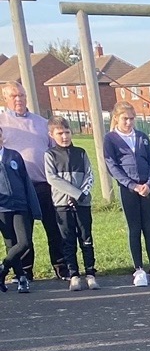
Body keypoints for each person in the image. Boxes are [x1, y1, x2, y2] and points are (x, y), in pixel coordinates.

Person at [0, 81, 66, 280]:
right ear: (5, 99)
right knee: (22, 235)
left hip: (44, 184)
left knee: (54, 228)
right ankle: (25, 272)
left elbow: (55, 150)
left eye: (21, 95)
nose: (19, 99)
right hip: (17, 189)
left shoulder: (41, 122)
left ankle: (61, 267)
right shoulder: (2, 123)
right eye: (14, 96)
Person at [104, 101, 150, 287]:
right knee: (134, 229)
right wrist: (131, 185)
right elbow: (113, 166)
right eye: (125, 119)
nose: (129, 123)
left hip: (147, 189)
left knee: (149, 228)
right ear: (116, 118)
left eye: (132, 119)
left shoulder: (142, 137)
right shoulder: (111, 138)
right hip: (129, 190)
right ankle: (139, 269)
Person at [44, 116, 97, 292]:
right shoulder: (50, 155)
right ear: (52, 135)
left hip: (82, 204)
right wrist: (73, 193)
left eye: (67, 132)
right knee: (68, 240)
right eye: (60, 133)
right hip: (61, 205)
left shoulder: (80, 153)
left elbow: (90, 175)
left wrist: (81, 195)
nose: (64, 137)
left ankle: (90, 273)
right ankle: (74, 275)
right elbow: (53, 178)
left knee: (86, 237)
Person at [0, 124, 40, 293]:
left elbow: (26, 182)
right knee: (11, 244)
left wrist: (34, 207)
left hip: (20, 205)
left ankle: (2, 269)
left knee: (24, 243)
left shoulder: (13, 155)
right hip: (2, 209)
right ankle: (21, 278)